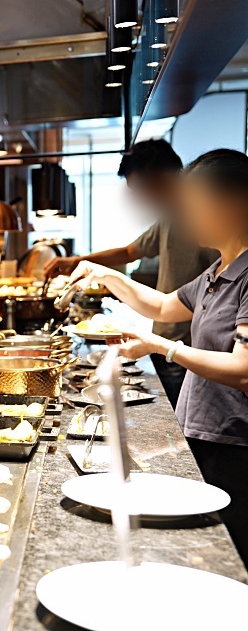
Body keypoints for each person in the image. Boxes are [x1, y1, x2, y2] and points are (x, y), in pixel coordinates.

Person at [70, 149, 248, 560]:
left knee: (230, 554)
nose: (189, 217)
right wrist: (109, 275)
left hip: (235, 442)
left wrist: (164, 346)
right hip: (205, 431)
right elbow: (165, 306)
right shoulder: (220, 269)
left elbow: (243, 370)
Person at [45, 139, 217, 406]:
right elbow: (132, 257)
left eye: (139, 190)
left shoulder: (206, 227)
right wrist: (84, 264)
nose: (138, 200)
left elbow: (216, 303)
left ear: (160, 179)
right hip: (169, 342)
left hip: (192, 351)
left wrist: (166, 347)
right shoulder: (171, 217)